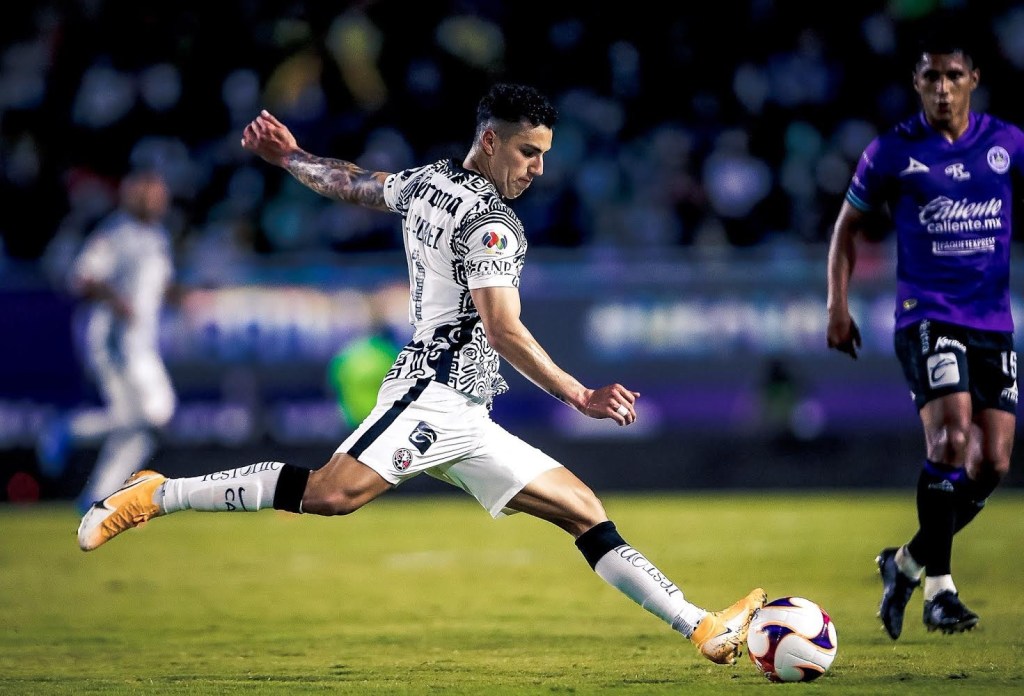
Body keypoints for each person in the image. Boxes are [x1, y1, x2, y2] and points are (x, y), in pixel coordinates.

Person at [78, 83, 765, 665]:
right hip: (429, 394)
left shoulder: (428, 182)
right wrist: (580, 394)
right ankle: (157, 494)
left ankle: (701, 626)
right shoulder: (493, 226)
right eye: (528, 152)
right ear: (490, 141)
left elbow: (352, 183)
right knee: (331, 495)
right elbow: (504, 330)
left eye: (544, 156)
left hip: (467, 414)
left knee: (583, 510)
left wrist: (289, 156)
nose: (537, 170)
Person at [826, 32, 1022, 639]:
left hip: (993, 322)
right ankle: (941, 590)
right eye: (931, 77)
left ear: (973, 80)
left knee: (992, 463)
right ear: (917, 83)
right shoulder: (891, 151)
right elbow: (846, 227)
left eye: (953, 76)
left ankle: (906, 562)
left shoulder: (1007, 144)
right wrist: (837, 304)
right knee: (951, 439)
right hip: (927, 315)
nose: (942, 88)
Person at [38, 170, 178, 513]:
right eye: (152, 193)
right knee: (154, 415)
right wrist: (117, 301)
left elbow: (157, 287)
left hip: (142, 343)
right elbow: (82, 278)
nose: (159, 200)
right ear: (135, 196)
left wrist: (187, 298)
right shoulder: (116, 234)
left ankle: (98, 498)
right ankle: (66, 428)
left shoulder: (158, 236)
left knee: (141, 427)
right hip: (116, 341)